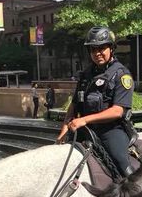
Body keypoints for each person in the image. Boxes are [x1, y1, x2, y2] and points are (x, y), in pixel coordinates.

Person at [56, 26, 135, 176]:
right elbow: (74, 105)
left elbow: (118, 111)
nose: (97, 53)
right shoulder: (86, 75)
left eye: (101, 48)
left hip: (111, 130)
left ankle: (136, 194)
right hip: (84, 129)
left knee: (121, 162)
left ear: (111, 48)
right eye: (93, 49)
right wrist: (63, 131)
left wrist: (84, 120)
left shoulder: (121, 75)